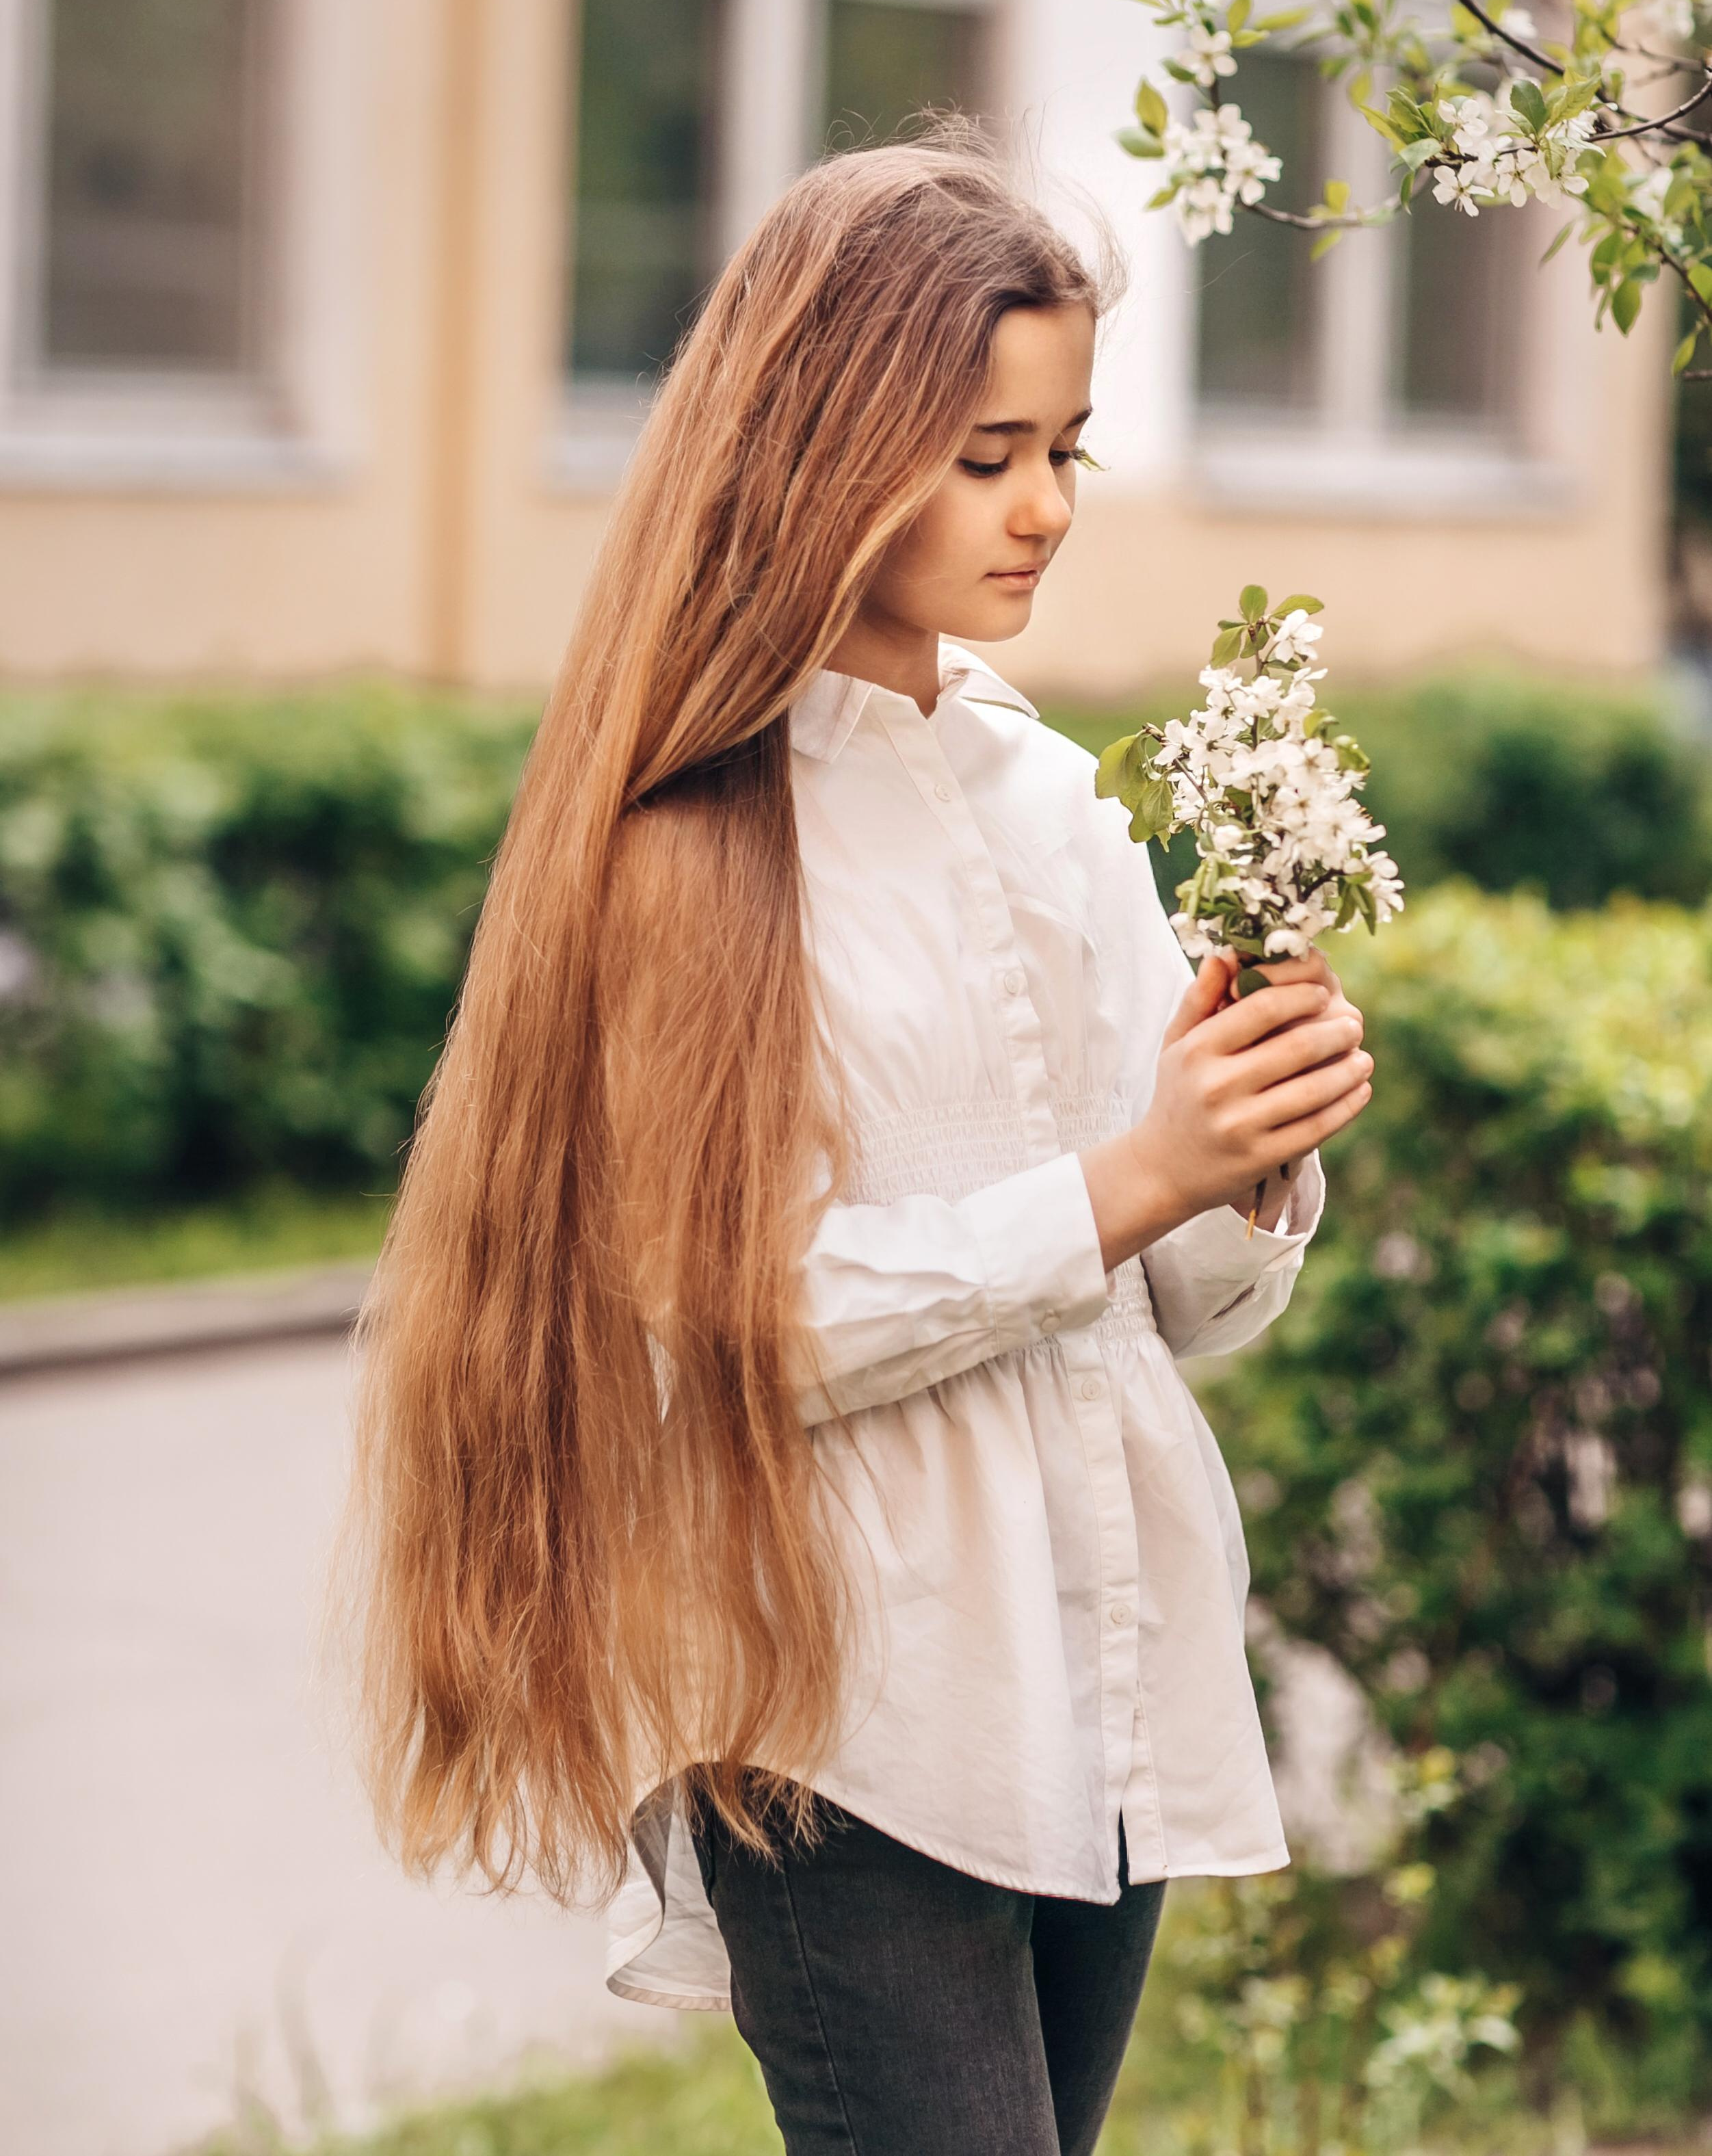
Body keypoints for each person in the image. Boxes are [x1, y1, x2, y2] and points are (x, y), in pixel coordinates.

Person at [342, 136, 1373, 2156]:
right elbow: (739, 1324)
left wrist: (1250, 1151)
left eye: (1066, 446)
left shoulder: (1055, 804)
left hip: (1101, 1661)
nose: (1047, 509)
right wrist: (1128, 1178)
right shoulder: (686, 852)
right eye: (987, 452)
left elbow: (1176, 1301)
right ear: (827, 436)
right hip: (841, 1711)